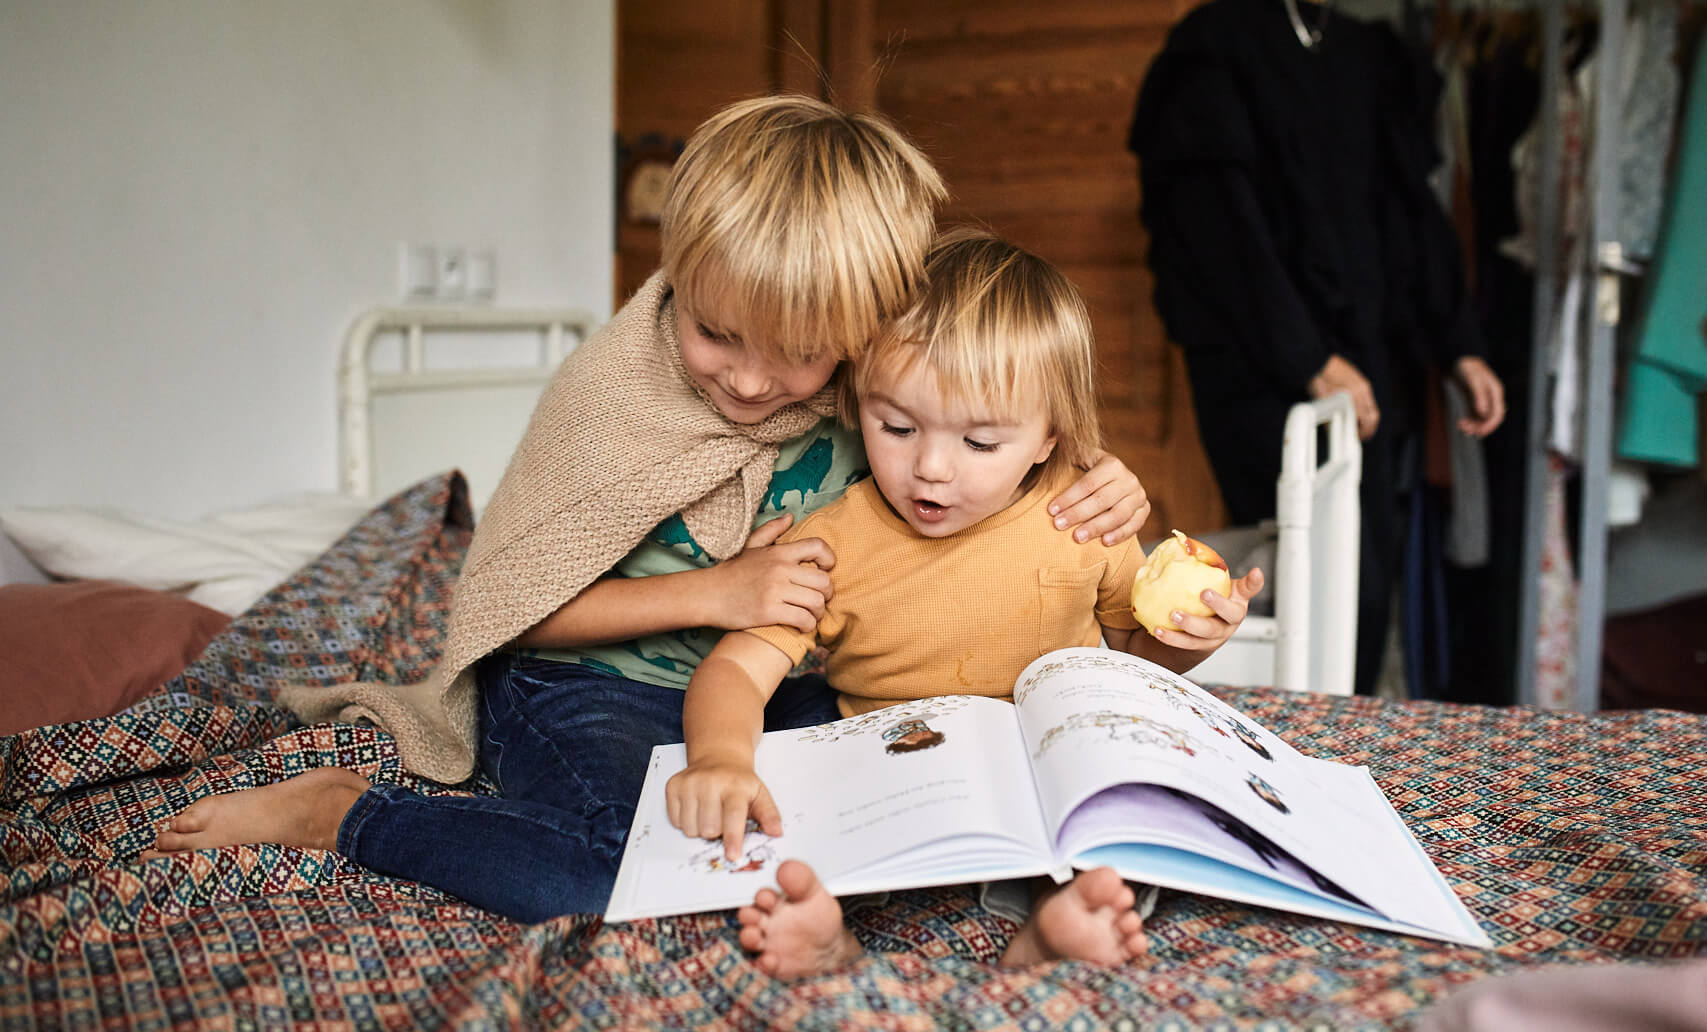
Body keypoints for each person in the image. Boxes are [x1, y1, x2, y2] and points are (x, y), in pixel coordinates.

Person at [141, 97, 1154, 923]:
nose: (755, 384)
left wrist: (1098, 474)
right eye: (718, 335)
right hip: (582, 683)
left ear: (859, 325)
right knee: (605, 869)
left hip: (770, 682)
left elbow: (987, 399)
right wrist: (719, 590)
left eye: (799, 354)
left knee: (875, 816)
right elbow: (514, 606)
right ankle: (353, 816)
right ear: (677, 276)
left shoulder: (866, 379)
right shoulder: (610, 397)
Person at [664, 230, 1266, 976]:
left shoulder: (1084, 520)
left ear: (1049, 438)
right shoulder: (833, 542)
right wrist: (720, 759)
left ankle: (1047, 933)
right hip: (897, 784)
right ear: (858, 403)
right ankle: (831, 940)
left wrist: (1192, 635)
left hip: (1044, 781)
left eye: (980, 443)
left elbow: (1134, 665)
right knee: (799, 843)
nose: (931, 470)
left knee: (1128, 833)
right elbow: (736, 672)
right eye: (897, 427)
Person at [1127, 0, 1506, 693]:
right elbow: (1217, 236)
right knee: (1299, 573)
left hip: (1375, 356)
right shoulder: (1209, 50)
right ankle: (1271, 763)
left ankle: (1337, 753)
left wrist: (1459, 348)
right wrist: (1310, 361)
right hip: (1266, 366)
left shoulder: (1379, 57)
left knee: (1367, 580)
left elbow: (1412, 217)